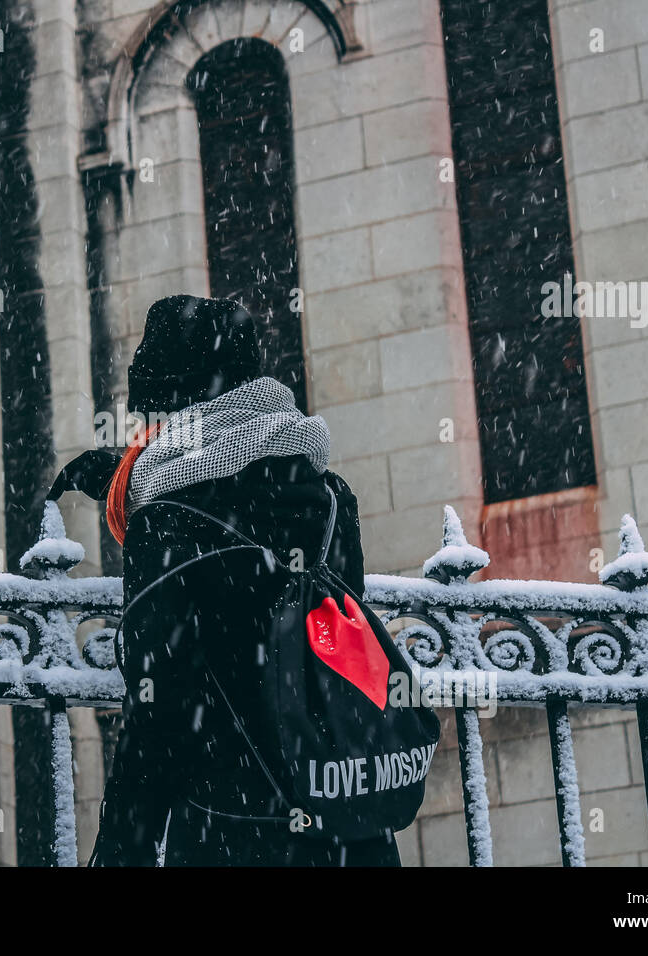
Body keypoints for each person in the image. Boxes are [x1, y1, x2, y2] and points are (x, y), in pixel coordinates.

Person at [51, 294, 401, 866]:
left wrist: (123, 850)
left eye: (151, 417)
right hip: (346, 823)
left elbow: (161, 708)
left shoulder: (167, 521)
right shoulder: (331, 496)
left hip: (236, 832)